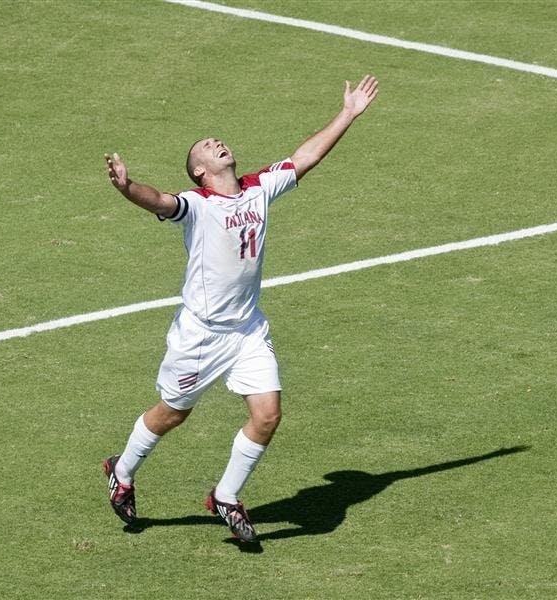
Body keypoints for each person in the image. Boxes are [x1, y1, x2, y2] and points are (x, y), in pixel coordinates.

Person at [102, 75, 379, 543]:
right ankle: (122, 470)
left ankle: (226, 497)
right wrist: (127, 187)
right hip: (200, 334)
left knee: (268, 415)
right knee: (173, 413)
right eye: (207, 147)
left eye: (218, 141)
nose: (218, 144)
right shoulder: (197, 205)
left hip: (248, 330)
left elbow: (306, 157)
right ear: (199, 171)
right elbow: (159, 200)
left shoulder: (259, 188)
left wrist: (348, 114)